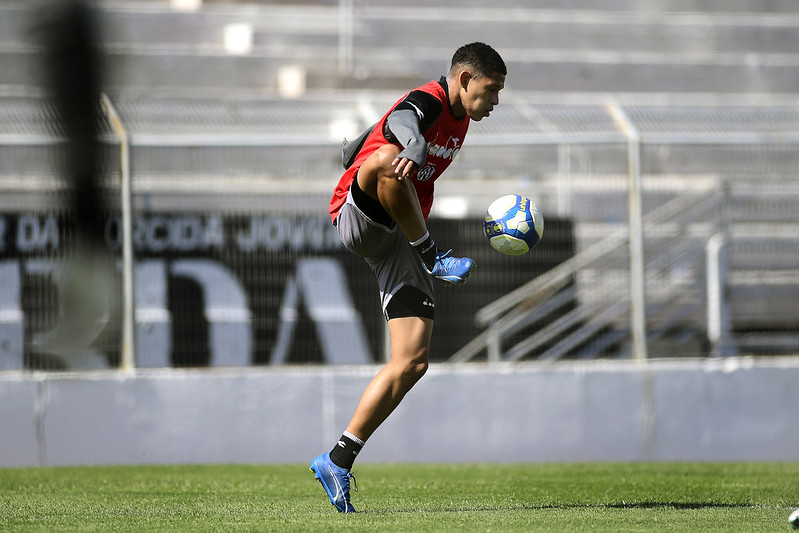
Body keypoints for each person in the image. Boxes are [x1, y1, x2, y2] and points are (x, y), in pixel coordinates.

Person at [310, 42, 506, 513]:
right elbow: (404, 118)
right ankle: (433, 253)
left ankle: (338, 460)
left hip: (399, 233)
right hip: (359, 216)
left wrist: (360, 138)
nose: (496, 101)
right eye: (491, 90)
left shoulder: (459, 118)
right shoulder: (434, 99)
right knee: (387, 162)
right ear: (463, 79)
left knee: (413, 361)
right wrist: (409, 142)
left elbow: (390, 120)